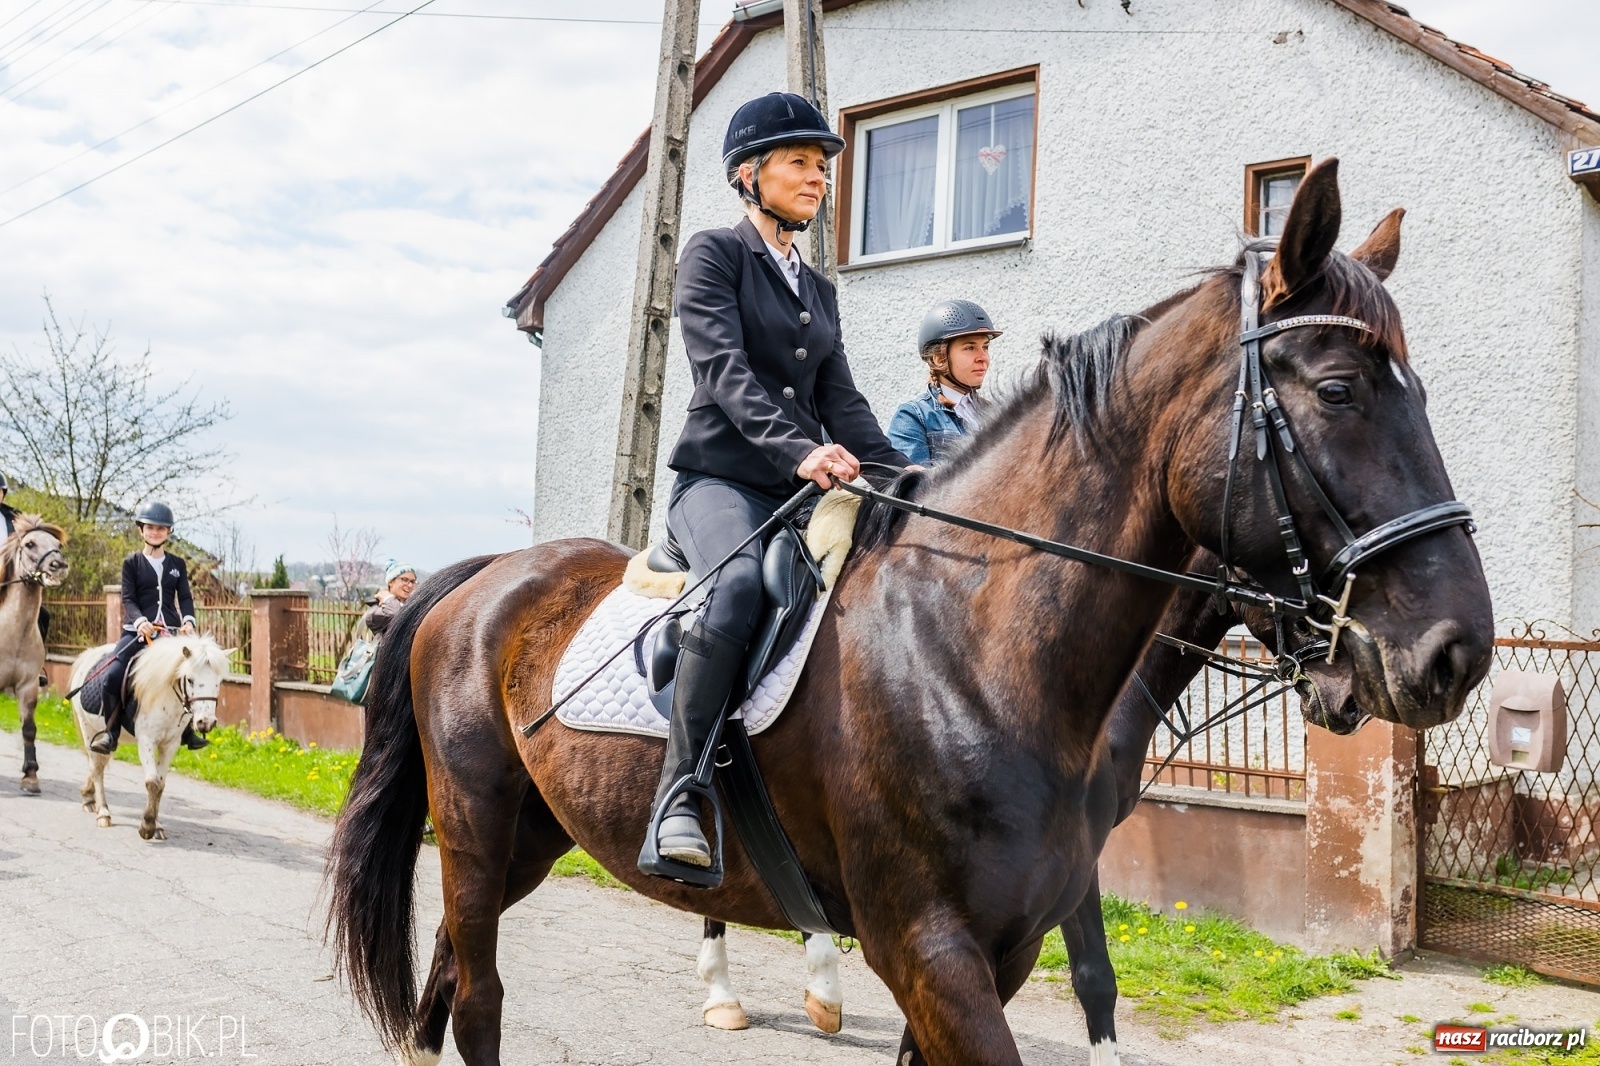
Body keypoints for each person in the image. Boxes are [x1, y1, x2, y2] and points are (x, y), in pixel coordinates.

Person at [640, 91, 915, 877]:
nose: (818, 177)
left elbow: (844, 404)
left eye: (823, 165)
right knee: (733, 593)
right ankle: (680, 795)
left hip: (795, 495)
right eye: (799, 162)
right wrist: (802, 452)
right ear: (748, 174)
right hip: (719, 486)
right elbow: (723, 372)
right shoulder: (713, 255)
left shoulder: (816, 289)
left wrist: (912, 476)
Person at [88, 501, 208, 755]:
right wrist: (141, 622)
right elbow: (128, 598)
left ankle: (187, 732)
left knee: (190, 675)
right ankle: (110, 733)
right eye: (151, 528)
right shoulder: (131, 563)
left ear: (169, 533)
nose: (155, 532)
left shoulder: (178, 564)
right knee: (113, 676)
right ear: (141, 530)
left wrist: (188, 620)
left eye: (161, 529)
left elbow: (185, 597)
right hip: (137, 632)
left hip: (172, 635)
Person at [887, 300, 1004, 465]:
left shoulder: (997, 414)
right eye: (970, 348)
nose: (983, 358)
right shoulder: (912, 417)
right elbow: (913, 488)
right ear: (939, 358)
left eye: (985, 347)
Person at [2, 471, 53, 687]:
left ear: (3, 494)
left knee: (43, 615)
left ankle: (36, 665)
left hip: (10, 580)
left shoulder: (14, 518)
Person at [361, 560, 416, 644]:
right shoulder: (376, 608)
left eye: (412, 581)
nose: (410, 585)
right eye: (405, 580)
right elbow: (395, 616)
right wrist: (389, 598)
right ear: (391, 582)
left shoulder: (411, 607)